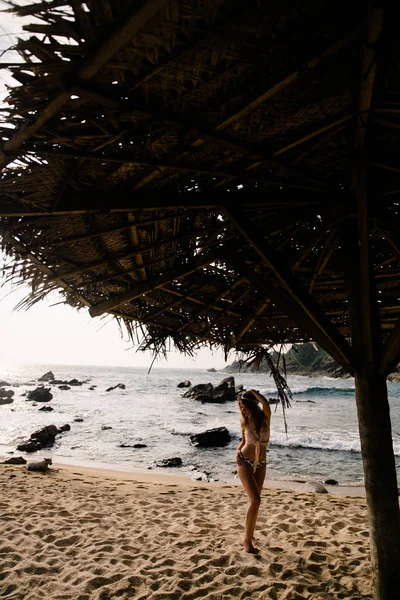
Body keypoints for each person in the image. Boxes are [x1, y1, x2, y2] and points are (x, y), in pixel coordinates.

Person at [236, 388, 271, 553]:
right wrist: (237, 451)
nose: (242, 409)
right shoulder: (244, 421)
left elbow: (265, 403)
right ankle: (247, 541)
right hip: (245, 462)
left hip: (261, 463)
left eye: (244, 405)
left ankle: (249, 534)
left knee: (255, 503)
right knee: (255, 500)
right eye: (240, 406)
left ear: (251, 403)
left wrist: (253, 392)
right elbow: (243, 443)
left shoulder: (265, 418)